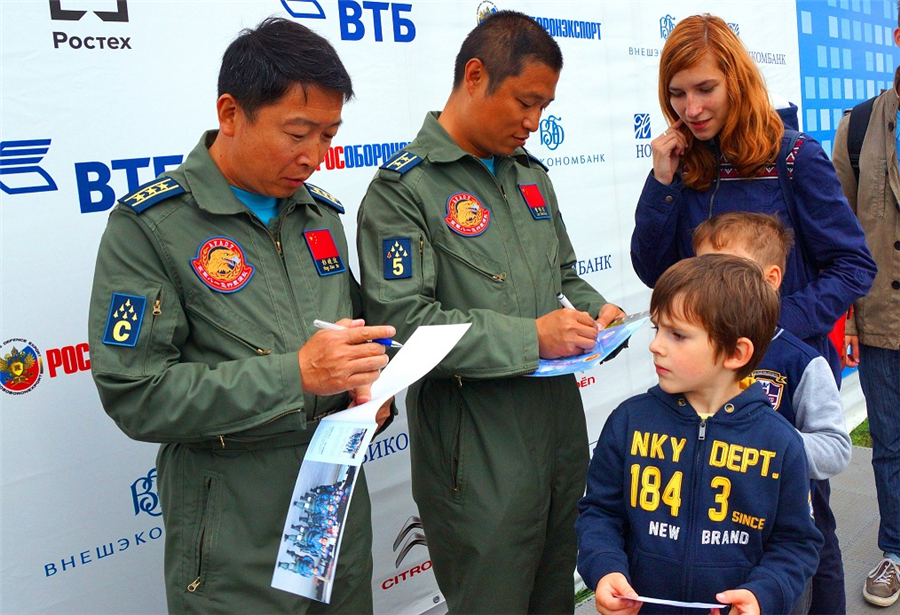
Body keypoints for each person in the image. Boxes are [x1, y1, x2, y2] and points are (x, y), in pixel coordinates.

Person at [88, 18, 394, 614]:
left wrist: (374, 387)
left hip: (333, 510)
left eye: (329, 135)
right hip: (234, 529)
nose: (314, 156)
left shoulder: (319, 216)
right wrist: (295, 376)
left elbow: (355, 339)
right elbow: (135, 393)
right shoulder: (152, 227)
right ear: (231, 113)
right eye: (298, 133)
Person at [355, 10, 623, 614]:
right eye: (525, 102)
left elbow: (564, 276)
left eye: (544, 108)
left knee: (556, 594)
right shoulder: (405, 191)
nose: (534, 123)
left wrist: (596, 310)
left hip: (555, 432)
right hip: (473, 451)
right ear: (475, 76)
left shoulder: (530, 177)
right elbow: (402, 324)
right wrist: (531, 337)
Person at [630, 13, 876, 383]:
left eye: (705, 89)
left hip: (783, 374)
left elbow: (854, 267)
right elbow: (653, 271)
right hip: (701, 376)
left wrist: (769, 323)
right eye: (677, 94)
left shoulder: (794, 157)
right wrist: (662, 183)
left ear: (737, 82)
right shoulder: (679, 163)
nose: (691, 109)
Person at [576, 254, 823, 615]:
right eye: (656, 329)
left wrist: (761, 595)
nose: (656, 345)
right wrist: (606, 569)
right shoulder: (629, 422)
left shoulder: (780, 442)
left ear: (736, 353)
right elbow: (600, 513)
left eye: (678, 335)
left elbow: (796, 543)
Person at [693, 211, 852, 613]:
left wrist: (772, 444)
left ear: (770, 280)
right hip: (715, 528)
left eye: (726, 270)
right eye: (701, 268)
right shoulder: (693, 353)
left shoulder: (801, 361)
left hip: (787, 525)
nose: (709, 283)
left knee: (812, 578)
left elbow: (835, 448)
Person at [832, 14, 900, 604]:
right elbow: (841, 238)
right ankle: (895, 551)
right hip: (883, 319)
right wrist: (850, 319)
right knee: (891, 444)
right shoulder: (857, 127)